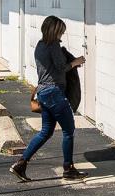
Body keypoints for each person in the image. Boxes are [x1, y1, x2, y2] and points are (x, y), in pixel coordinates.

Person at [10, 16, 85, 182]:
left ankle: (20, 164)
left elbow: (52, 67)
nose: (62, 35)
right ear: (55, 31)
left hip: (43, 93)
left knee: (46, 132)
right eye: (61, 32)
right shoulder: (53, 46)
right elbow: (61, 68)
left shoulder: (40, 45)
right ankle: (68, 168)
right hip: (55, 93)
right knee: (69, 130)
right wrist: (76, 62)